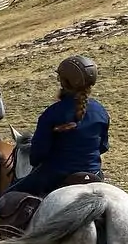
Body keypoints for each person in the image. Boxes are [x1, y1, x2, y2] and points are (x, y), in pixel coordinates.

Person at [8, 55, 109, 198]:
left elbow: (37, 156)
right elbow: (103, 147)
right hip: (93, 174)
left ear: (64, 82)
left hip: (55, 176)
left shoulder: (52, 113)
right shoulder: (101, 111)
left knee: (8, 197)